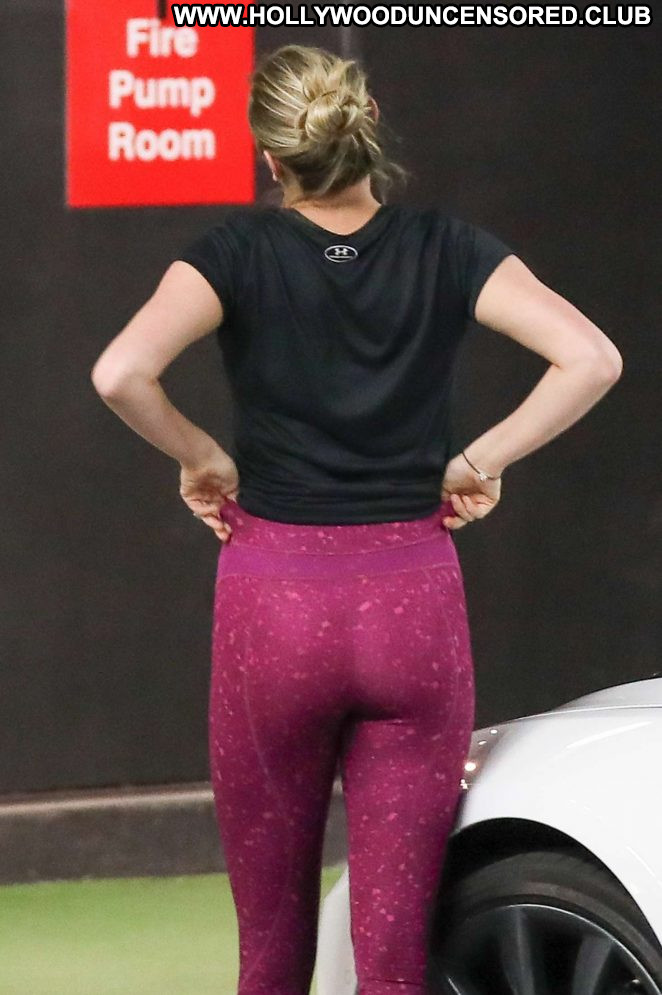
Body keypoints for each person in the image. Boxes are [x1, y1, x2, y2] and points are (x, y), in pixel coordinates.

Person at [91, 42, 622, 995]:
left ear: (270, 156)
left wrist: (200, 456)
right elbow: (591, 357)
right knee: (392, 962)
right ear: (368, 128)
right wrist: (481, 461)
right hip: (413, 606)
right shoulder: (450, 248)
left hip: (274, 611)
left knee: (270, 955)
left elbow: (121, 373)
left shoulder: (232, 255)